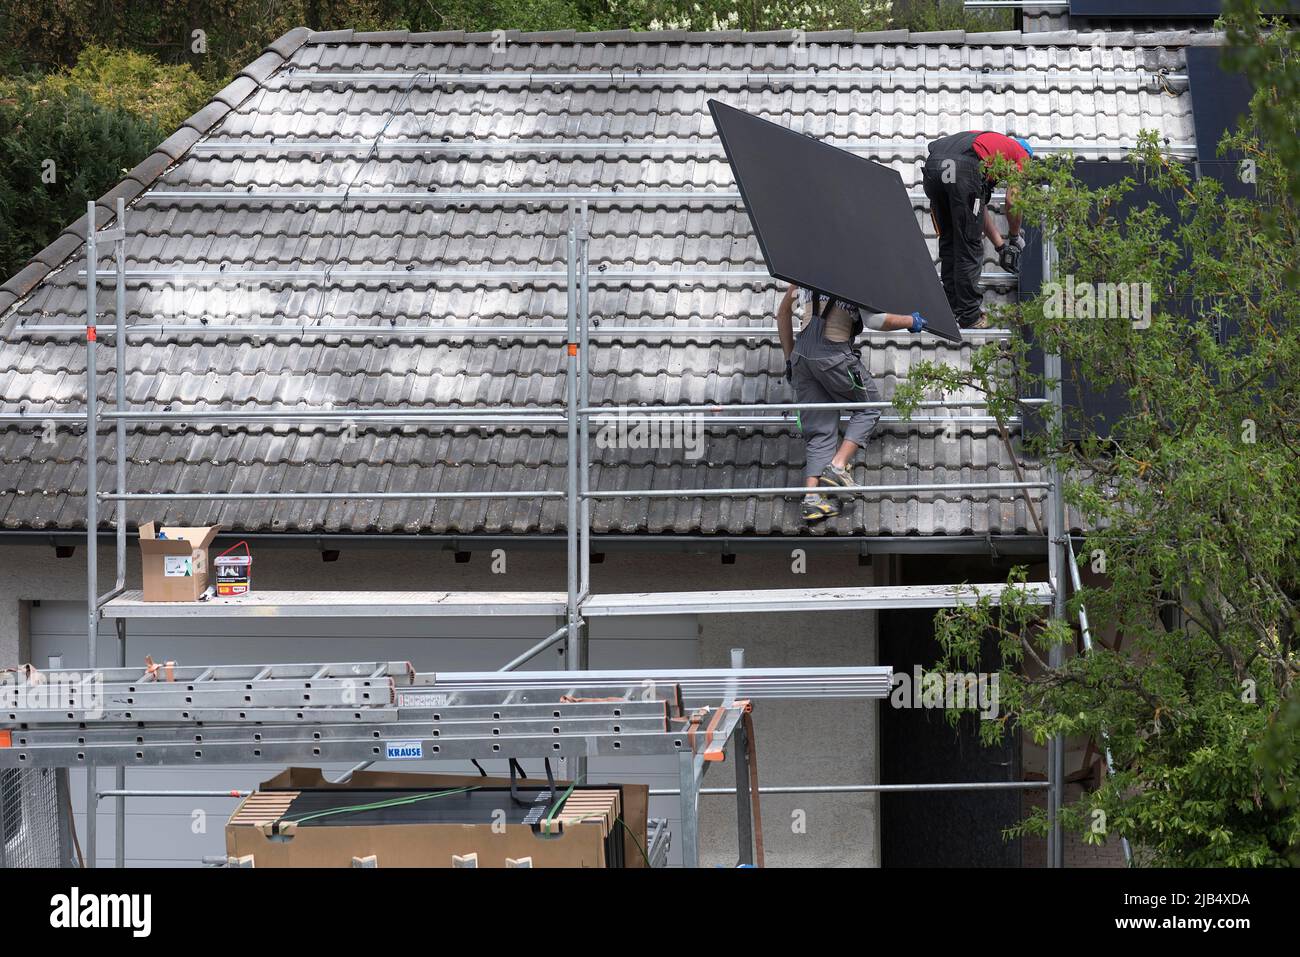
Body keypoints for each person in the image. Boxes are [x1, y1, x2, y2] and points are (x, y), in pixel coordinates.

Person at [776, 285, 928, 522]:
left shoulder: (802, 275)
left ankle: (812, 498)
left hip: (801, 360)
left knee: (819, 428)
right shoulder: (854, 277)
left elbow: (783, 313)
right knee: (870, 406)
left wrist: (789, 359)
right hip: (833, 356)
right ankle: (837, 466)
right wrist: (911, 320)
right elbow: (876, 321)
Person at [921, 131, 1033, 329]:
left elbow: (976, 208)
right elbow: (1012, 200)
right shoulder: (1021, 155)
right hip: (963, 170)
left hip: (933, 167)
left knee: (950, 241)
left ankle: (950, 309)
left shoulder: (990, 144)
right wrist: (1014, 237)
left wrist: (1000, 246)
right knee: (968, 244)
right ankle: (970, 316)